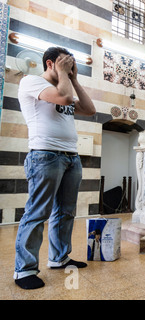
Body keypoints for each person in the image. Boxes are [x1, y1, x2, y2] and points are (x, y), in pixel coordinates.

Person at [14, 47, 96, 290]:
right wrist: (63, 74)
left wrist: (75, 78)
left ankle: (59, 258)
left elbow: (90, 109)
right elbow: (64, 99)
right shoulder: (31, 81)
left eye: (72, 65)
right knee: (37, 212)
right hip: (44, 155)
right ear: (50, 63)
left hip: (71, 157)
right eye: (65, 63)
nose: (70, 68)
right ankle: (24, 270)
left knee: (66, 212)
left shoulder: (66, 85)